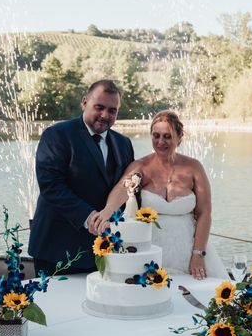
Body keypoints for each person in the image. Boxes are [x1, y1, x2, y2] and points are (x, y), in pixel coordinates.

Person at [90, 110, 227, 280]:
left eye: (167, 136)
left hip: (189, 249)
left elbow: (204, 213)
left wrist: (198, 254)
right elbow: (121, 189)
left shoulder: (194, 167)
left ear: (179, 137)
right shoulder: (141, 166)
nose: (160, 142)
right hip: (151, 251)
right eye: (156, 135)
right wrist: (106, 212)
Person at [28, 80, 135, 275]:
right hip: (58, 249)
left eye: (112, 110)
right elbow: (51, 186)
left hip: (107, 249)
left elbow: (126, 188)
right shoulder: (57, 135)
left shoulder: (124, 143)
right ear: (84, 102)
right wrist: (89, 217)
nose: (105, 115)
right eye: (99, 107)